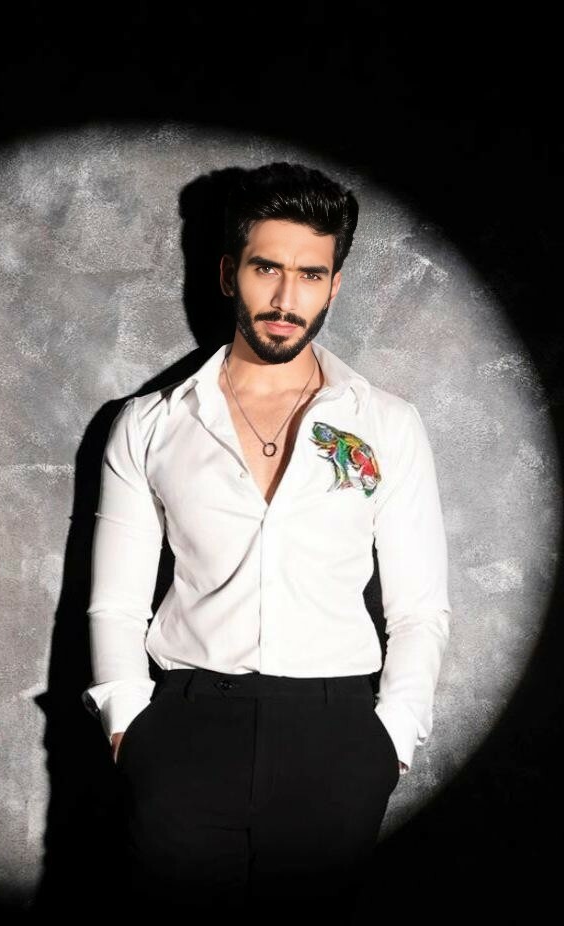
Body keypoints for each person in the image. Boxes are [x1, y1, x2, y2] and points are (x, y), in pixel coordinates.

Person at [81, 162, 452, 923]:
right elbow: (115, 603)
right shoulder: (149, 424)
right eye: (266, 269)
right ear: (229, 273)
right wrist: (129, 726)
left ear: (334, 285)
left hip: (338, 739)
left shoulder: (386, 424)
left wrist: (391, 741)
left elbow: (419, 608)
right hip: (186, 733)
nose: (287, 299)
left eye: (310, 275)